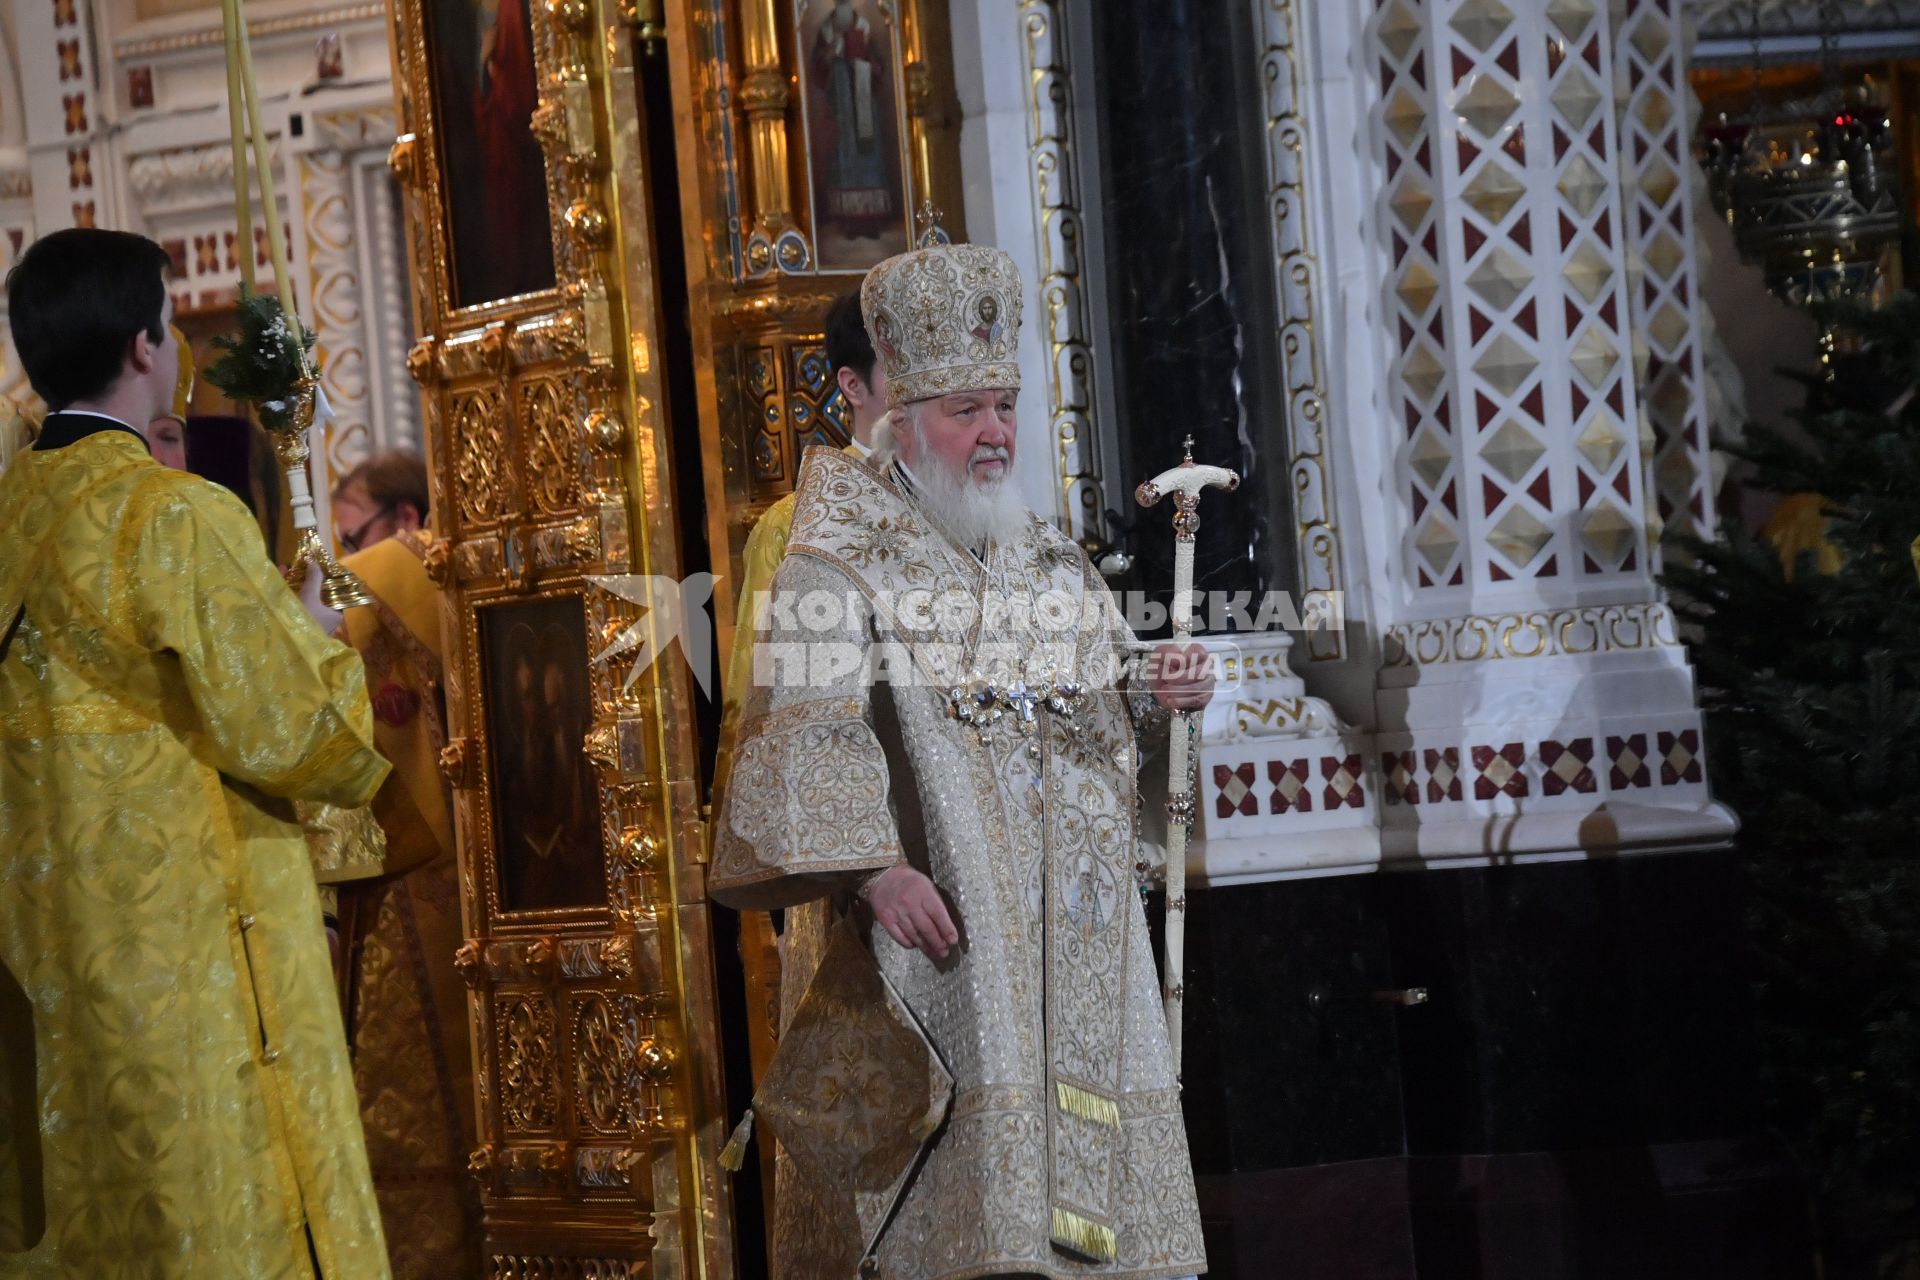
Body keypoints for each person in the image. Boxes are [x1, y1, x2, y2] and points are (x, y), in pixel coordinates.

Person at [711, 243, 1210, 1278]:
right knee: (975, 1229)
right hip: (944, 939)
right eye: (966, 411)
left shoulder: (1045, 554)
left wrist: (1164, 703)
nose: (995, 435)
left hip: (1074, 941)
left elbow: (1110, 726)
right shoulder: (829, 550)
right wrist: (870, 866)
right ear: (903, 416)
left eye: (1004, 407)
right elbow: (803, 721)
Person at [0, 227, 393, 1275]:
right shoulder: (171, 515)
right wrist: (315, 644)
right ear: (144, 346)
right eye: (170, 325)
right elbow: (296, 733)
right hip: (195, 950)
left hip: (47, 969)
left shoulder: (7, 517)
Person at [713, 288, 893, 1216]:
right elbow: (767, 720)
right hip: (863, 889)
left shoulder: (997, 520)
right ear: (852, 386)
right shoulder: (797, 533)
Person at [318, 450, 482, 1278]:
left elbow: (329, 597)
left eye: (354, 534)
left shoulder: (421, 566)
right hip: (403, 865)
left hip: (448, 873)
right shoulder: (386, 590)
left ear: (407, 521)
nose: (345, 554)